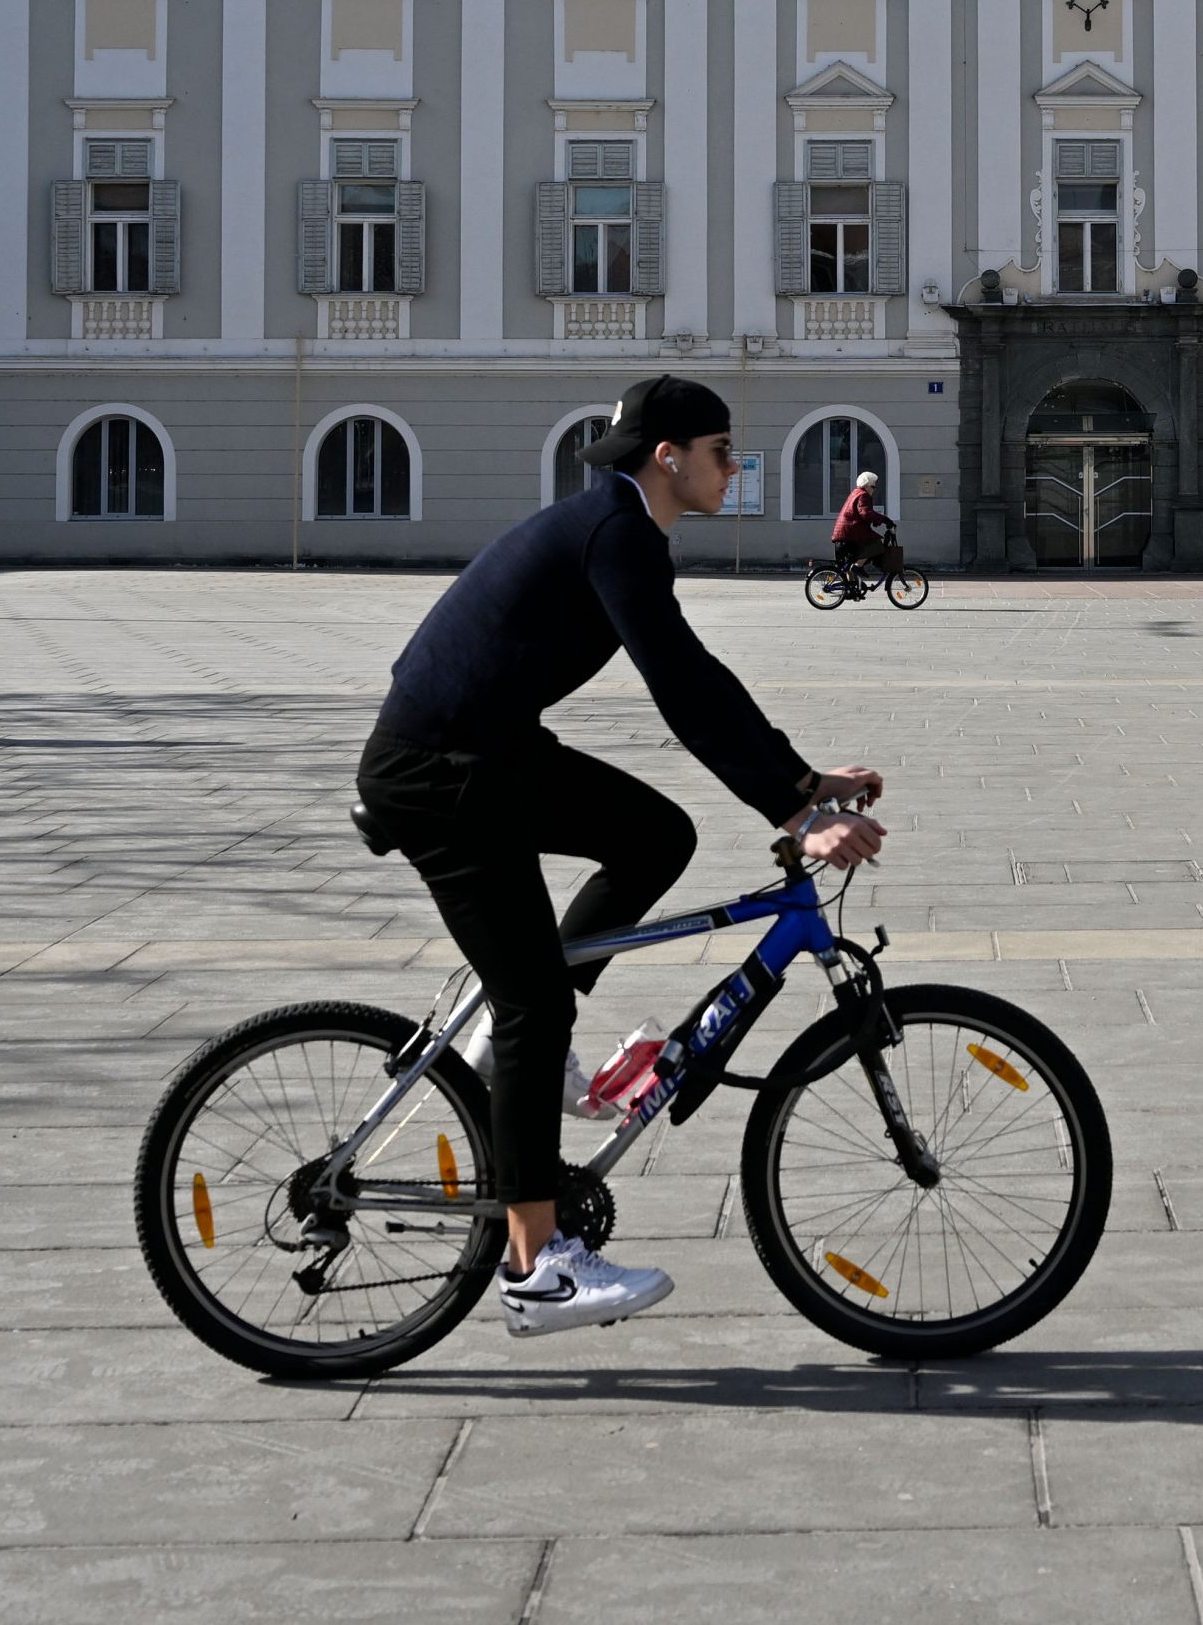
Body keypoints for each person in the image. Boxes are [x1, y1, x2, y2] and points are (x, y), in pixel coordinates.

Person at [357, 374, 885, 1337]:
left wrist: (800, 784)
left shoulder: (619, 528)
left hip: (489, 751)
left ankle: (510, 1049)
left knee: (657, 836)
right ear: (668, 457)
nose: (735, 467)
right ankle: (537, 1270)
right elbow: (680, 686)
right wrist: (794, 813)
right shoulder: (617, 534)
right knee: (533, 1003)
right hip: (441, 774)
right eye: (723, 451)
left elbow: (697, 672)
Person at [829, 469, 897, 585]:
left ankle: (852, 588)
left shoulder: (855, 493)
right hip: (850, 531)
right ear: (866, 486)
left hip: (845, 532)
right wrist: (885, 520)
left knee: (850, 562)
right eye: (873, 487)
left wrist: (876, 520)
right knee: (877, 545)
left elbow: (862, 513)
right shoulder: (863, 495)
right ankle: (858, 566)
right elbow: (866, 513)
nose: (874, 490)